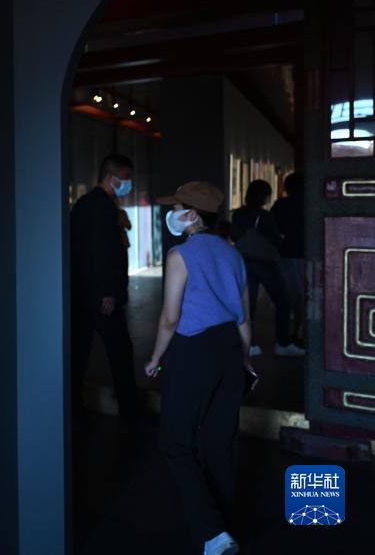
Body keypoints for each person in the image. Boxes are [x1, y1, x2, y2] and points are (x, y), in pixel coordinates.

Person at [145, 181, 258, 555]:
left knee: (175, 442)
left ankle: (213, 533)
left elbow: (170, 318)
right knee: (221, 443)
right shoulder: (232, 253)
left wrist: (155, 358)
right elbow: (244, 317)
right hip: (229, 350)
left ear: (192, 215)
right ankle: (224, 526)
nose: (172, 213)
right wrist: (244, 362)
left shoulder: (180, 255)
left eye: (176, 207)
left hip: (192, 351)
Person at [70, 153, 139, 423]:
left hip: (83, 293)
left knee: (80, 350)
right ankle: (129, 411)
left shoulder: (86, 204)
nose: (129, 183)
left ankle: (73, 405)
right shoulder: (102, 207)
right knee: (120, 351)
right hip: (100, 295)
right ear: (110, 177)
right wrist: (107, 293)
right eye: (126, 177)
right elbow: (100, 253)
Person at [232, 180, 303, 357]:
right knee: (283, 301)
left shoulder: (238, 214)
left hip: (244, 260)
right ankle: (283, 342)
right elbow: (276, 240)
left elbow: (234, 236)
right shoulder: (265, 216)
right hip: (264, 263)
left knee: (249, 305)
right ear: (264, 196)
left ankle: (249, 344)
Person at [270, 172, 306, 344]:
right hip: (307, 252)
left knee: (289, 296)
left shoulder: (281, 204)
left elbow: (273, 228)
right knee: (303, 295)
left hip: (286, 253)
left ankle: (290, 333)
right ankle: (299, 332)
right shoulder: (310, 203)